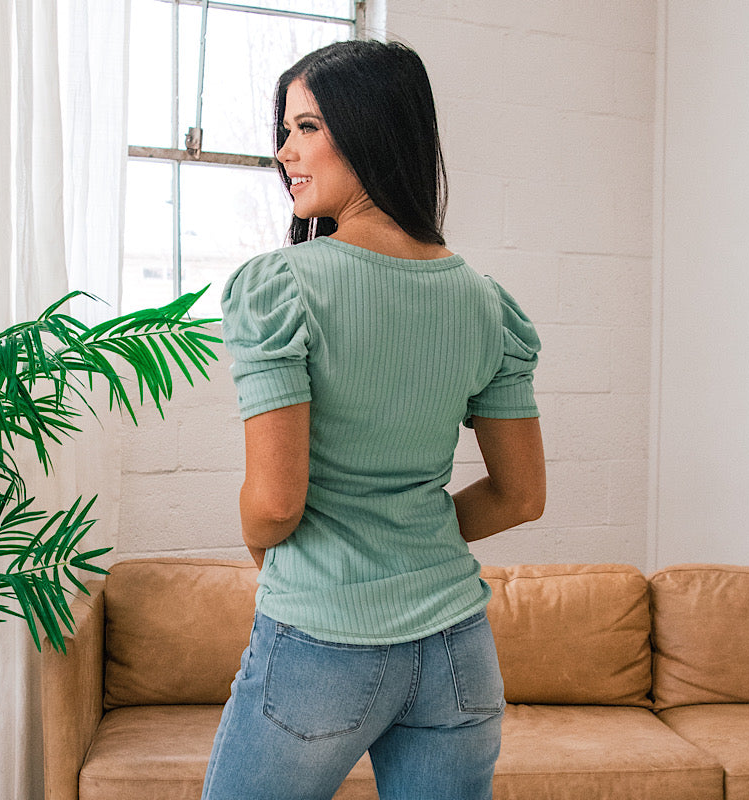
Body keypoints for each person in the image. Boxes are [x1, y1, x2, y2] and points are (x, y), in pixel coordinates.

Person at [201, 39, 545, 800]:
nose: (285, 152)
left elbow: (275, 503)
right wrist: (412, 536)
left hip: (321, 642)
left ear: (370, 130)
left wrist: (267, 549)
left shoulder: (280, 289)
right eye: (285, 131)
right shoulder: (487, 305)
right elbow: (521, 496)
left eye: (307, 127)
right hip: (456, 649)